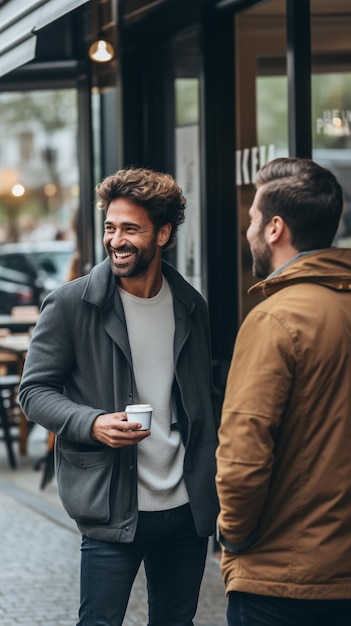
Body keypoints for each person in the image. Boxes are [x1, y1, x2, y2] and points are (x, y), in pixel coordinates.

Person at [19, 166, 219, 626]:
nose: (116, 240)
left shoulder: (191, 305)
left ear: (163, 233)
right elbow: (34, 391)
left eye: (131, 228)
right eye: (110, 227)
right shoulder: (71, 305)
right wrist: (91, 423)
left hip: (186, 508)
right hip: (112, 508)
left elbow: (203, 400)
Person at [215, 157, 351, 626]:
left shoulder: (275, 319)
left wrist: (232, 537)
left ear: (275, 229)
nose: (247, 229)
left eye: (252, 219)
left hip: (283, 580)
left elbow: (244, 452)